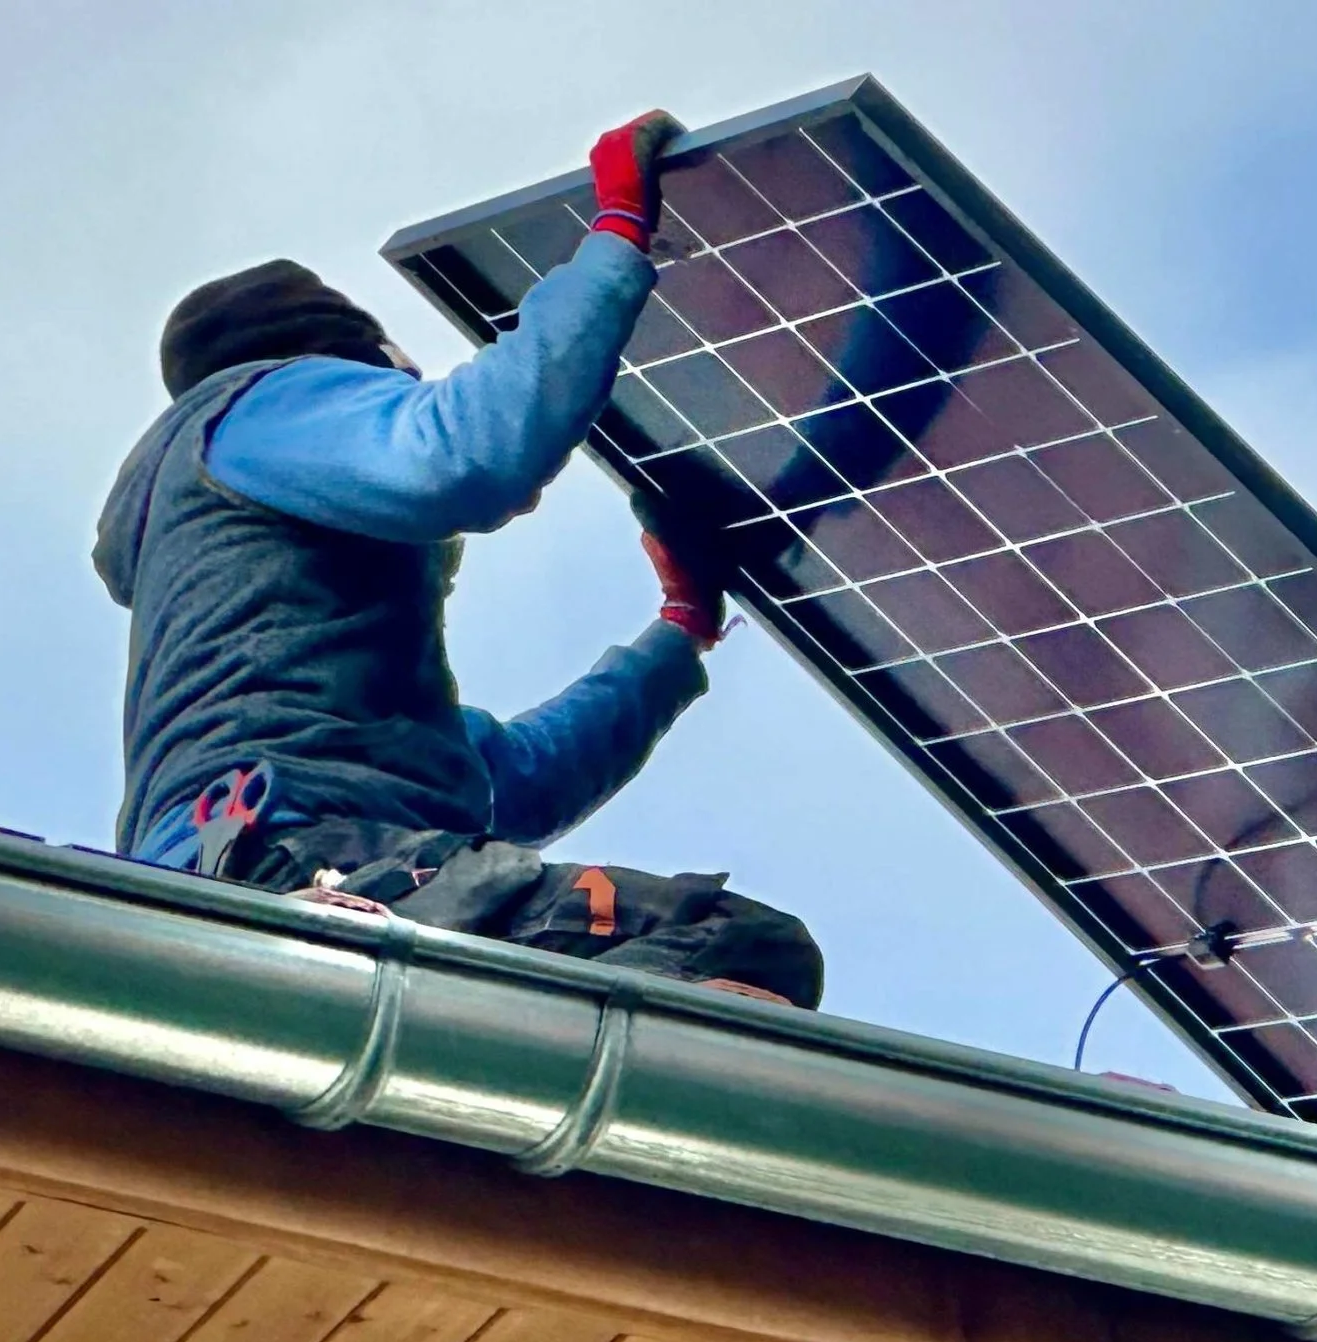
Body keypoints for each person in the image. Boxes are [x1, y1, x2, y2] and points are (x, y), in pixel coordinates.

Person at [94, 111, 820, 1008]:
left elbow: (500, 783)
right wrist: (618, 238)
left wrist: (679, 636)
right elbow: (464, 454)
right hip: (306, 861)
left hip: (322, 869)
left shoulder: (310, 676)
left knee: (720, 954)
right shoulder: (263, 404)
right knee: (733, 946)